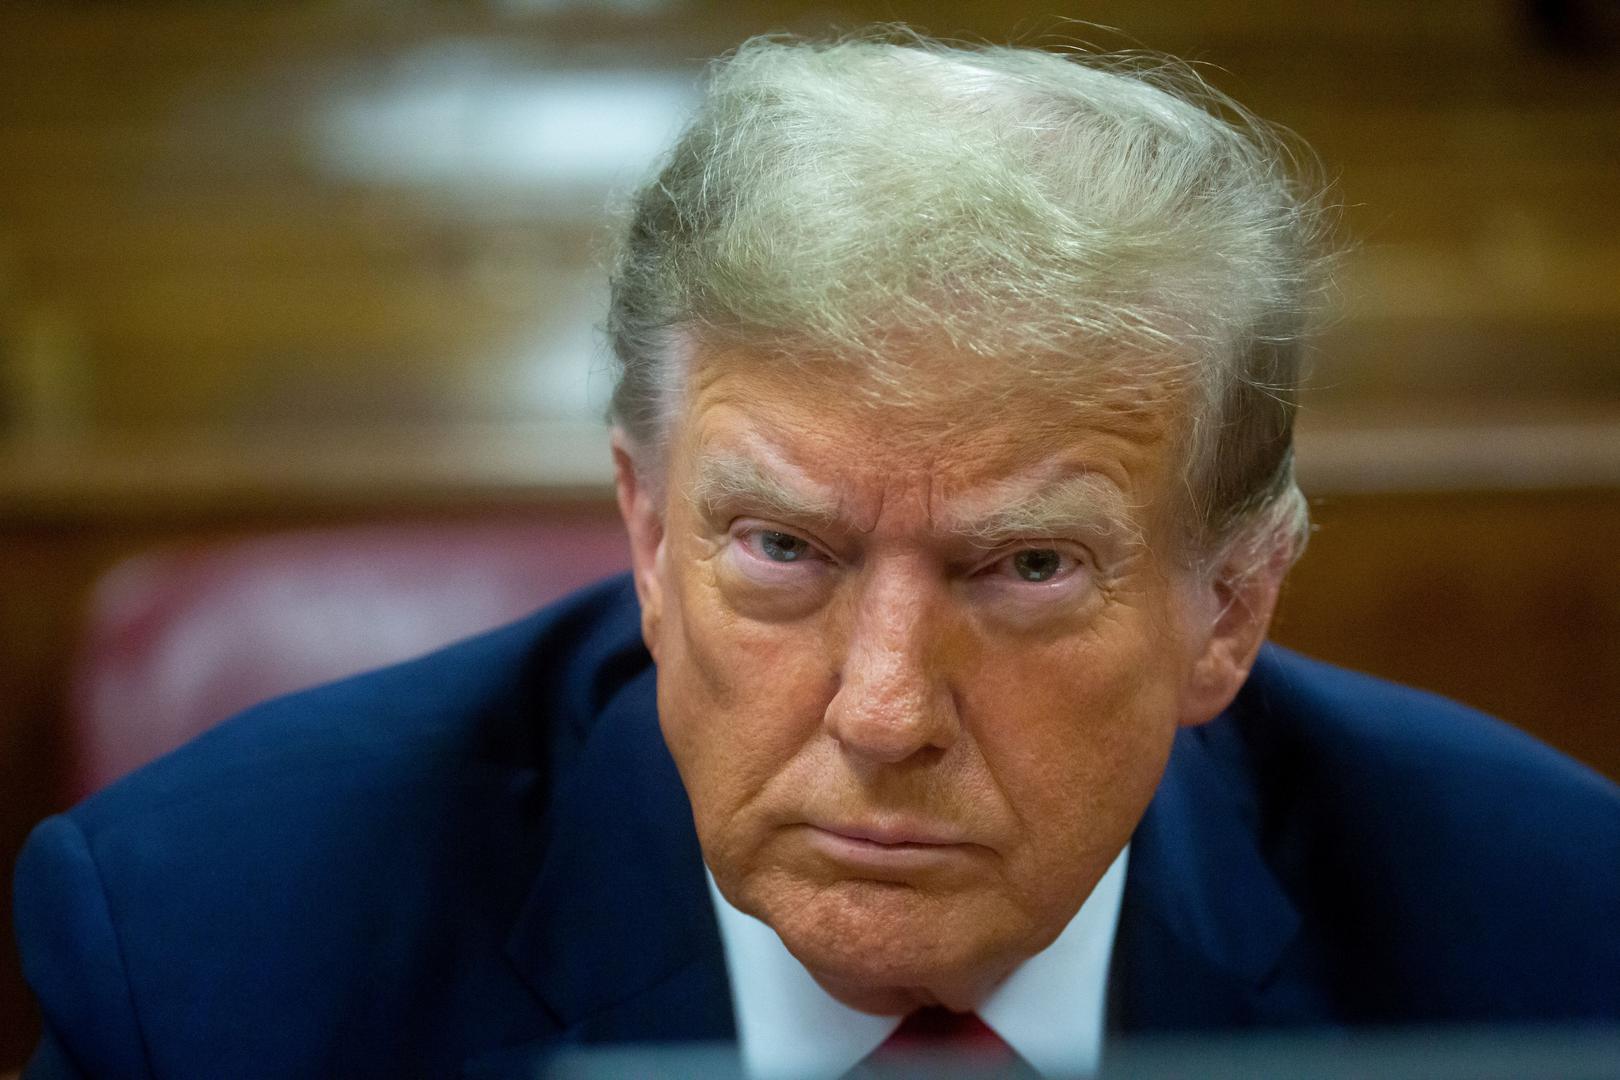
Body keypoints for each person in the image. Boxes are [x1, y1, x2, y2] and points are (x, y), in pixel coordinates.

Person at [13, 31, 1619, 1080]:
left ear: (1232, 608)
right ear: (650, 534)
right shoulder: (209, 959)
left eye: (1027, 569)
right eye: (781, 547)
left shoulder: (1552, 940)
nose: (882, 709)